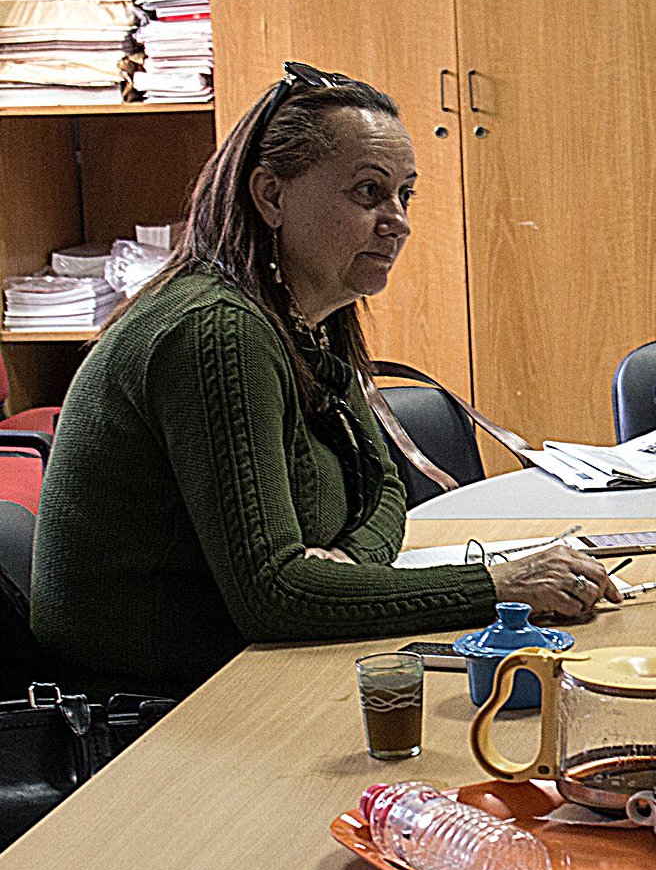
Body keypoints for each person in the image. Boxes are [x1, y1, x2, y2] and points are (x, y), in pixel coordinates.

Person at [31, 63, 615, 699]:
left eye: (405, 195)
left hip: (260, 665)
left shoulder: (308, 313)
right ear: (271, 196)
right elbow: (278, 597)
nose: (399, 221)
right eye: (368, 192)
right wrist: (498, 588)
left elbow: (387, 488)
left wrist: (344, 574)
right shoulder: (215, 331)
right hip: (153, 706)